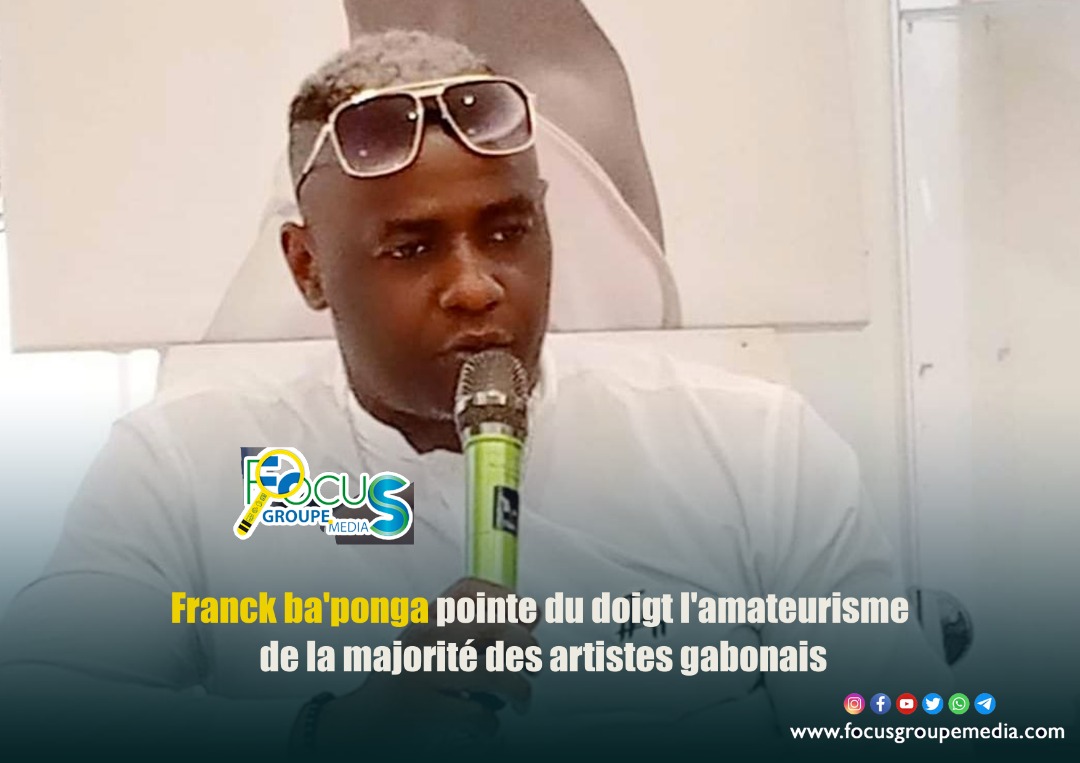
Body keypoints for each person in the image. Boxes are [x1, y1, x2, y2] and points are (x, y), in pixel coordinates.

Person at [0, 30, 947, 759]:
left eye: (507, 230)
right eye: (411, 248)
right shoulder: (187, 465)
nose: (477, 285)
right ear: (308, 267)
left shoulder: (749, 444)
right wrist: (325, 733)